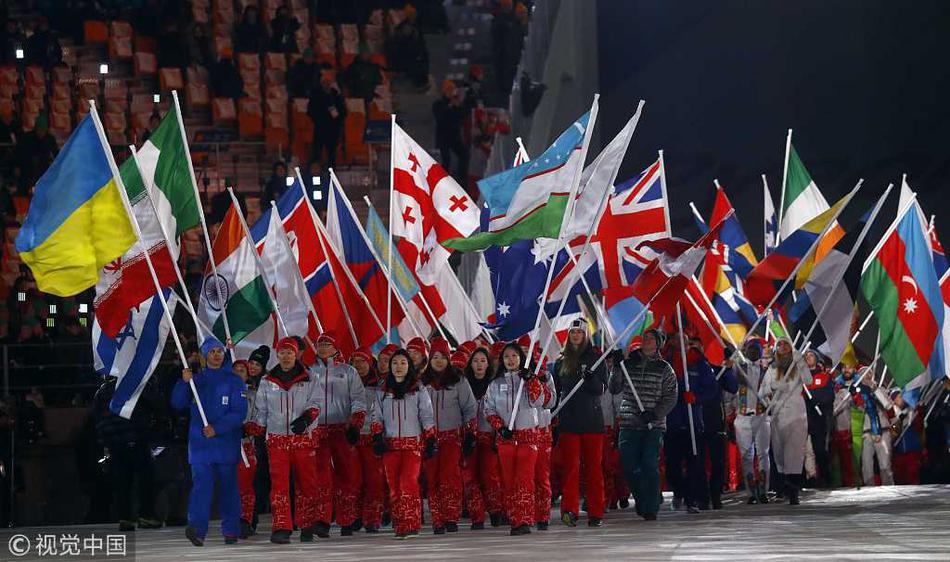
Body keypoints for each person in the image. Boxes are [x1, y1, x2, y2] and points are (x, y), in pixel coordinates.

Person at [170, 337, 248, 546]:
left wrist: (218, 428)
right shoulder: (195, 381)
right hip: (200, 447)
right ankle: (197, 529)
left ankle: (231, 530)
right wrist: (183, 382)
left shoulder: (234, 381)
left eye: (219, 351)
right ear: (205, 356)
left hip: (225, 446)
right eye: (212, 351)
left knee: (228, 489)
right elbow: (177, 403)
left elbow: (239, 412)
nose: (216, 354)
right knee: (201, 488)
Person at [245, 338, 321, 543]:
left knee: (307, 484)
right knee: (279, 486)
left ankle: (307, 524)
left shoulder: (310, 378)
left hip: (302, 439)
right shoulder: (268, 380)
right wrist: (254, 428)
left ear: (296, 354)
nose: (286, 356)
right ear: (277, 355)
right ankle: (281, 526)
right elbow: (261, 411)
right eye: (282, 352)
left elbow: (316, 402)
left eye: (289, 352)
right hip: (277, 440)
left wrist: (306, 418)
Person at [608, 330, 678, 521]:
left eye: (651, 338)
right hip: (630, 422)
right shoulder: (629, 363)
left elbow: (671, 397)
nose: (646, 340)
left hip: (653, 426)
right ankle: (641, 498)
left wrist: (655, 414)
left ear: (658, 344)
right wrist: (617, 366)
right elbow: (614, 387)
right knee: (629, 465)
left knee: (649, 463)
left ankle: (651, 506)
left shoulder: (665, 369)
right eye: (645, 337)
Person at [484, 342, 552, 536]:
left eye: (514, 356)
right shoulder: (495, 384)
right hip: (506, 439)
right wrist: (500, 427)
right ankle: (514, 518)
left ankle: (524, 520)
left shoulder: (529, 380)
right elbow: (488, 409)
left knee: (524, 480)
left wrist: (531, 380)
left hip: (528, 437)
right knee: (509, 481)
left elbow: (539, 402)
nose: (510, 360)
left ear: (521, 358)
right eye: (507, 357)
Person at [370, 349, 436, 539]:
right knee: (394, 487)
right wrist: (376, 436)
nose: (399, 367)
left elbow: (426, 415)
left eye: (403, 363)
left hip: (412, 446)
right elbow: (377, 416)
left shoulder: (418, 389)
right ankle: (400, 523)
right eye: (395, 363)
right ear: (390, 367)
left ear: (409, 366)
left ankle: (411, 522)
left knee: (408, 483)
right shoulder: (382, 390)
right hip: (390, 446)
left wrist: (430, 438)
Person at [310, 332, 367, 536]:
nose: (323, 347)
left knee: (347, 474)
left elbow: (359, 399)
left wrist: (355, 423)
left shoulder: (348, 371)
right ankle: (322, 519)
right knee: (321, 476)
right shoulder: (309, 372)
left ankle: (347, 519)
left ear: (335, 347)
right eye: (320, 344)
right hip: (318, 431)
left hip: (341, 429)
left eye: (327, 343)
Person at [553, 319, 607, 527]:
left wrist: (591, 379)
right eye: (573, 331)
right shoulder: (560, 361)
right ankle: (569, 510)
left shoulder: (596, 358)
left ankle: (596, 511)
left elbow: (602, 389)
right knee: (571, 468)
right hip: (569, 422)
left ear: (586, 335)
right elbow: (556, 391)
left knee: (593, 468)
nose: (576, 335)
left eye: (579, 331)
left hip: (592, 421)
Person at [93, 376, 163, 531]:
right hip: (136, 437)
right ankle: (146, 515)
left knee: (122, 481)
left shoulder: (102, 391)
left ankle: (125, 518)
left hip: (114, 442)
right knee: (145, 478)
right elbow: (157, 405)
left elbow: (96, 416)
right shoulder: (137, 385)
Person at [421, 338, 477, 534]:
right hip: (429, 438)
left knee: (449, 477)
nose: (438, 361)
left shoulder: (458, 380)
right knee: (433, 478)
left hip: (452, 437)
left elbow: (470, 408)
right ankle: (437, 519)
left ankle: (451, 517)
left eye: (443, 357)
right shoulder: (422, 382)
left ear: (449, 359)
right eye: (435, 357)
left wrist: (470, 433)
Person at [762, 337, 813, 505]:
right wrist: (772, 389)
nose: (782, 347)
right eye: (779, 344)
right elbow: (762, 391)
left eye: (786, 344)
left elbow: (808, 380)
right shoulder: (772, 368)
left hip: (797, 413)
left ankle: (793, 490)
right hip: (778, 414)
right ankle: (783, 484)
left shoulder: (797, 366)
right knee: (779, 452)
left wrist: (801, 362)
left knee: (795, 451)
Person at [464, 347, 505, 527]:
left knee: (490, 476)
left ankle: (496, 511)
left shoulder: (494, 385)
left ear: (488, 364)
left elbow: (501, 411)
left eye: (482, 360)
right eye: (475, 360)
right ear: (470, 364)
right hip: (469, 438)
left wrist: (498, 435)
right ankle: (477, 516)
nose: (479, 364)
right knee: (469, 477)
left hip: (489, 436)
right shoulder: (463, 385)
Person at [732, 338, 772, 503]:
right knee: (746, 455)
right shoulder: (739, 368)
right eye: (750, 349)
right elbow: (736, 379)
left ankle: (763, 490)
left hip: (762, 416)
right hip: (743, 418)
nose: (753, 352)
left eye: (756, 349)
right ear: (745, 351)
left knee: (763, 453)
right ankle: (751, 492)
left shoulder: (767, 369)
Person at [700, 339, 738, 510]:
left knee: (718, 462)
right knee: (698, 461)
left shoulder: (716, 369)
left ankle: (715, 494)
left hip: (715, 421)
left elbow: (733, 387)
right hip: (696, 422)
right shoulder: (688, 370)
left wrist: (728, 369)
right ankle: (699, 495)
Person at [351, 347, 386, 533]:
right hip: (352, 438)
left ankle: (373, 518)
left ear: (369, 362)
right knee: (353, 479)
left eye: (362, 361)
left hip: (372, 437)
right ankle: (353, 517)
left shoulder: (379, 384)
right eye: (355, 361)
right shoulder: (347, 382)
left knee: (374, 481)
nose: (359, 365)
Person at [232, 360, 258, 538]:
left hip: (246, 445)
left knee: (245, 486)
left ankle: (245, 519)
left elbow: (260, 416)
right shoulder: (223, 391)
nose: (238, 374)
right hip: (226, 445)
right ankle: (231, 519)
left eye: (242, 371)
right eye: (235, 370)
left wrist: (248, 428)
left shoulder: (254, 394)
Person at [803, 350, 834, 488]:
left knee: (820, 450)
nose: (808, 358)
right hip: (804, 418)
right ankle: (811, 478)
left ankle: (826, 477)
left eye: (811, 355)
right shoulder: (801, 379)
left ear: (816, 359)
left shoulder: (824, 377)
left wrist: (817, 401)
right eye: (806, 356)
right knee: (807, 451)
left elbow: (829, 396)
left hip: (818, 418)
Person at [533, 354, 557, 530]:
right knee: (526, 477)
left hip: (542, 430)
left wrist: (540, 381)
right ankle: (525, 512)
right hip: (523, 431)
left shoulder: (547, 378)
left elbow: (550, 402)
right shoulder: (516, 378)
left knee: (541, 475)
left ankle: (542, 515)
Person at [857, 377, 895, 486]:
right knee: (866, 464)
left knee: (885, 464)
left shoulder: (880, 390)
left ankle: (889, 488)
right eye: (863, 375)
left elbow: (888, 406)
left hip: (882, 430)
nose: (866, 377)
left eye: (869, 373)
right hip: (866, 431)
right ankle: (869, 490)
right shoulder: (857, 392)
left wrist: (875, 390)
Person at [432, 79, 469, 184]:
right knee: (446, 161)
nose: (451, 92)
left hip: (454, 136)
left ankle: (461, 178)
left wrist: (458, 106)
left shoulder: (456, 103)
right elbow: (440, 116)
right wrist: (450, 106)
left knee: (464, 155)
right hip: (443, 137)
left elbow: (463, 115)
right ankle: (444, 182)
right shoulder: (438, 104)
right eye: (449, 90)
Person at [307, 74, 346, 168]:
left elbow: (342, 112)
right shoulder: (315, 94)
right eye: (324, 83)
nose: (326, 85)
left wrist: (336, 118)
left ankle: (331, 176)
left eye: (328, 83)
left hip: (332, 129)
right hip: (320, 127)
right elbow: (310, 111)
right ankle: (315, 175)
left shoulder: (335, 95)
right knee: (317, 153)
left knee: (331, 154)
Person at [889, 388, 924, 484]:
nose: (903, 399)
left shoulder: (912, 411)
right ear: (893, 399)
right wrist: (899, 420)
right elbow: (892, 433)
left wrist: (919, 412)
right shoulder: (890, 414)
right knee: (900, 479)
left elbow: (920, 428)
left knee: (913, 477)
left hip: (911, 451)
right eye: (899, 397)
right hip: (897, 453)